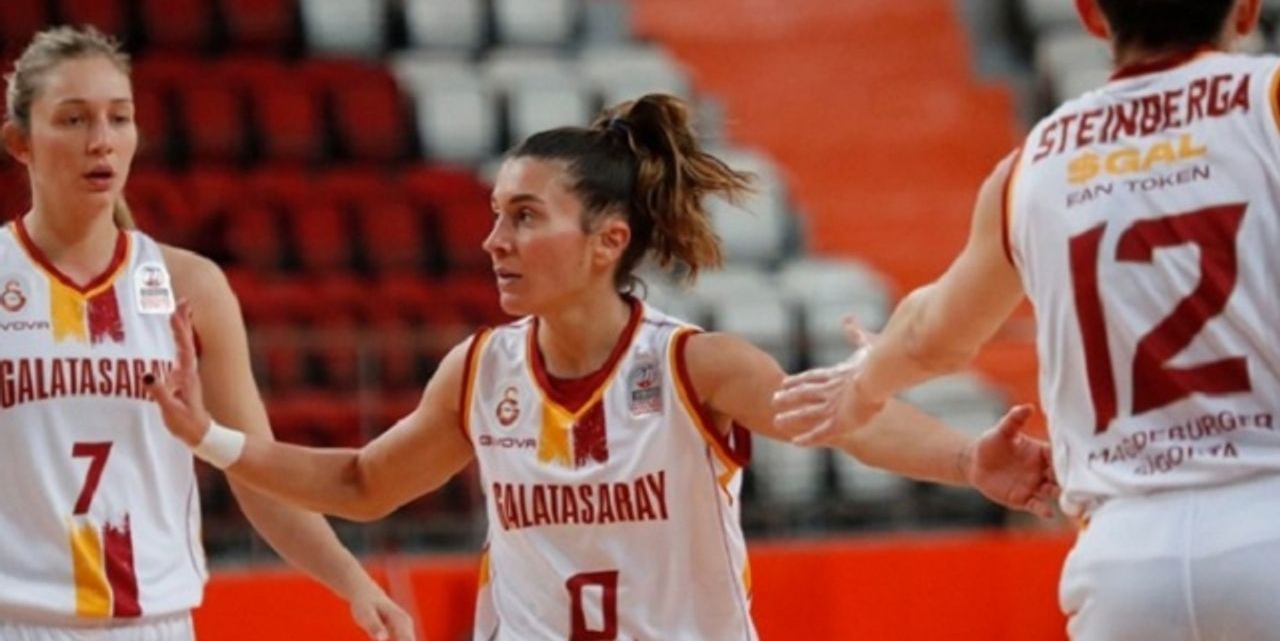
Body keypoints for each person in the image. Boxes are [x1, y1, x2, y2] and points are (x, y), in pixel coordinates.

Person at [146, 93, 1056, 639]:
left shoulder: (695, 366)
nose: (493, 240)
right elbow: (361, 483)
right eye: (496, 215)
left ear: (606, 242)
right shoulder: (480, 371)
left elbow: (845, 417)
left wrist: (966, 460)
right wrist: (209, 437)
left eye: (524, 217)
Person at [773, 0, 1280, 638]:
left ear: (1090, 13)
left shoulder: (1035, 165)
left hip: (1125, 566)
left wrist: (861, 385)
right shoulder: (1269, 102)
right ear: (1250, 3)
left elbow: (932, 338)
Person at [0, 26, 414, 640]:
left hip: (156, 623)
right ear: (20, 142)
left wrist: (356, 584)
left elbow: (256, 474)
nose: (101, 140)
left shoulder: (190, 286)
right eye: (73, 119)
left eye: (119, 118)